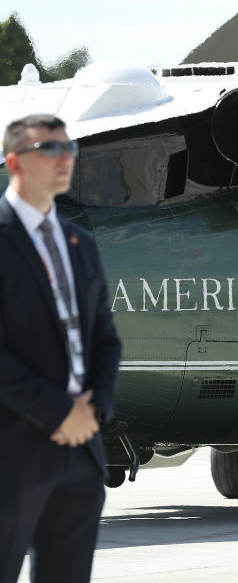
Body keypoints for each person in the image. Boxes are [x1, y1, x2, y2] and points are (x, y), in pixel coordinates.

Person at [0, 114, 122, 583]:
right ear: (15, 162)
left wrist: (94, 412)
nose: (63, 159)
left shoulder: (80, 244)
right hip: (12, 450)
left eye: (68, 150)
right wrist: (57, 412)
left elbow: (105, 340)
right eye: (49, 150)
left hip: (80, 453)